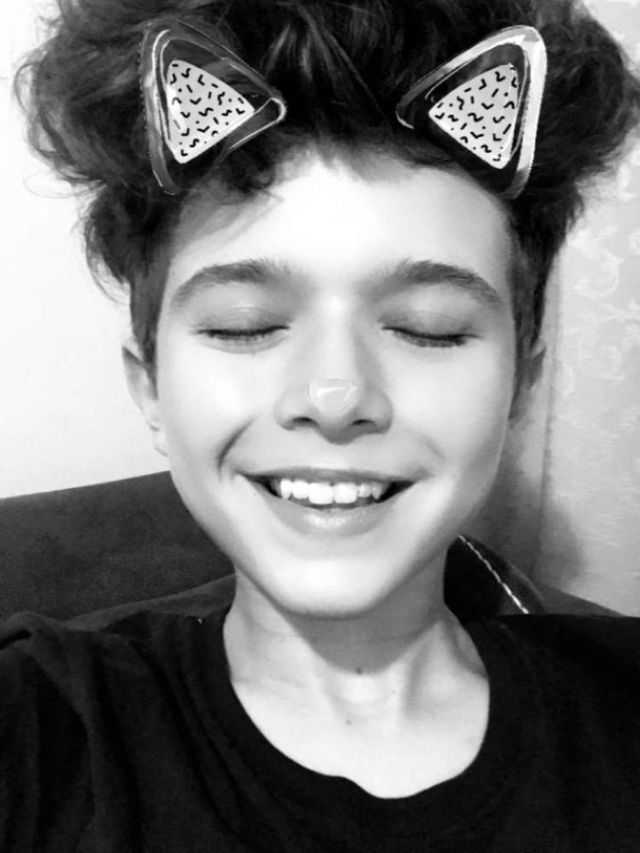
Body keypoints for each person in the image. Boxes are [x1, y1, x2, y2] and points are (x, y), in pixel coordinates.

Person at [2, 0, 640, 849]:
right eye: (246, 325)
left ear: (519, 382)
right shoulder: (43, 719)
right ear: (151, 386)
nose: (335, 393)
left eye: (426, 328)